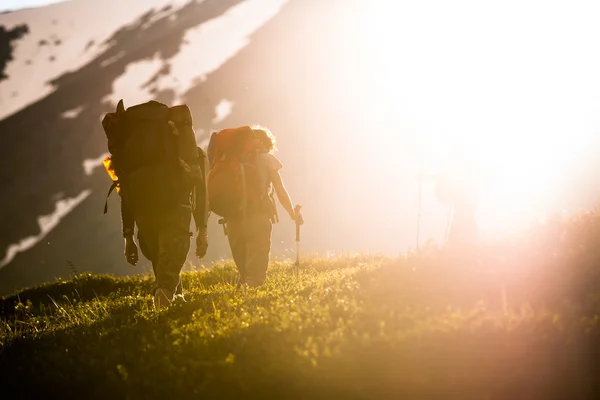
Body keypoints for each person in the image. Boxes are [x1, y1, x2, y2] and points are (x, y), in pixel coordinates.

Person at [103, 101, 209, 308]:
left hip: (141, 205)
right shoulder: (187, 153)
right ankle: (165, 293)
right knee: (173, 249)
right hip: (175, 202)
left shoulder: (132, 155)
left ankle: (174, 296)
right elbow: (200, 190)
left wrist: (128, 236)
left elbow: (125, 191)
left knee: (159, 255)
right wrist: (202, 229)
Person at [215, 125, 298, 287]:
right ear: (266, 144)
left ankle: (242, 295)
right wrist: (292, 213)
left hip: (232, 217)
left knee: (243, 264)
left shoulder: (231, 158)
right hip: (258, 215)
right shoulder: (267, 158)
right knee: (256, 268)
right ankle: (252, 300)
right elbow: (280, 190)